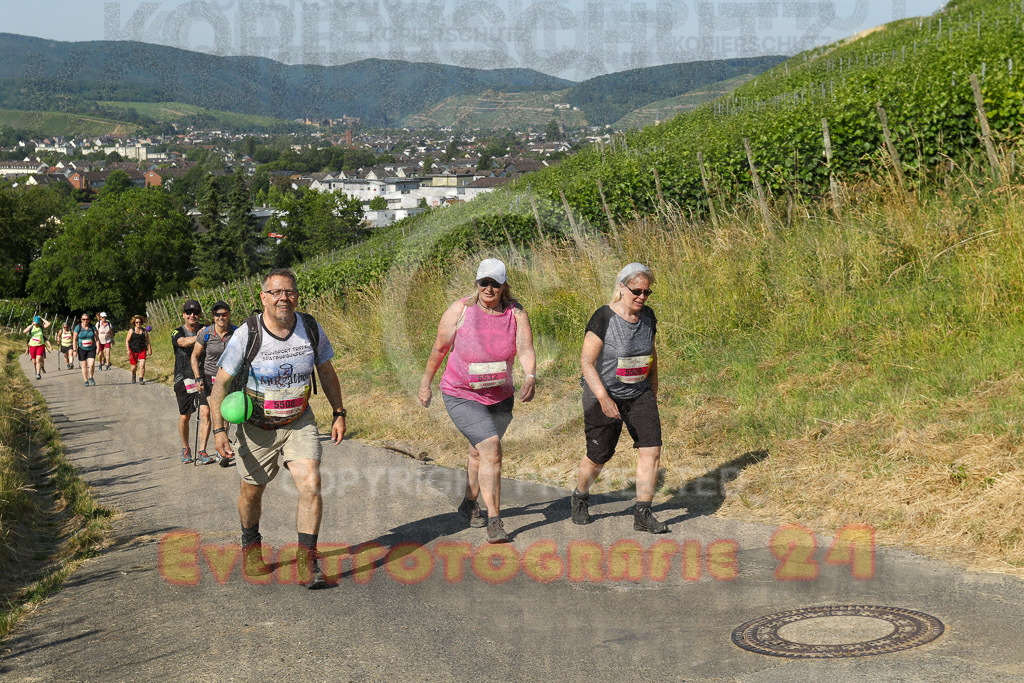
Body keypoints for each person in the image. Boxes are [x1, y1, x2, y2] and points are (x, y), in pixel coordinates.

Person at [210, 269, 347, 589]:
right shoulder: (247, 333)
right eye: (276, 292)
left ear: (296, 296)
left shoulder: (310, 327)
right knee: (251, 491)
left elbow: (326, 371)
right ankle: (251, 544)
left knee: (310, 482)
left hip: (299, 420)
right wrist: (219, 430)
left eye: (289, 291)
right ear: (263, 297)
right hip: (256, 427)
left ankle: (307, 561)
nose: (283, 298)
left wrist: (339, 412)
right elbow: (221, 384)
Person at [418, 258, 536, 544]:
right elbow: (440, 348)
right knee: (491, 447)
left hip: (500, 397)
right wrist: (425, 383)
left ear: (504, 286)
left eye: (495, 283)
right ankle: (495, 521)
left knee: (479, 453)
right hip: (462, 393)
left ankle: (469, 503)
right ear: (477, 283)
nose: (489, 289)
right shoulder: (460, 310)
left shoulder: (516, 313)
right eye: (484, 283)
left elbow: (525, 349)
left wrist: (530, 376)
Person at [570, 263, 668, 534]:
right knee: (599, 455)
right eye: (636, 291)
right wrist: (603, 398)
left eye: (647, 292)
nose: (642, 297)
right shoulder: (603, 317)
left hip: (639, 392)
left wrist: (653, 386)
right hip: (603, 393)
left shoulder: (648, 317)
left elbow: (651, 352)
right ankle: (580, 496)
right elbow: (587, 362)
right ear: (622, 288)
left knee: (652, 449)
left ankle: (643, 513)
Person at [191, 300, 235, 465]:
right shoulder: (206, 333)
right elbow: (194, 356)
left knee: (226, 414)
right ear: (213, 316)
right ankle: (211, 450)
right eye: (217, 315)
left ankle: (222, 450)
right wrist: (198, 378)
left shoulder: (236, 332)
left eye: (224, 314)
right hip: (210, 378)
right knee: (214, 412)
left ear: (229, 315)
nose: (221, 317)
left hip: (229, 378)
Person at [171, 300, 205, 463]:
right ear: (183, 315)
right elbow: (183, 342)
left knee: (206, 414)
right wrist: (201, 337)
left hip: (203, 376)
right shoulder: (177, 332)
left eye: (196, 312)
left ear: (200, 314)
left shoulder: (206, 328)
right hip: (183, 378)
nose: (192, 315)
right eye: (189, 312)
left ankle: (203, 451)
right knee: (185, 416)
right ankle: (185, 448)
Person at [73, 313, 99, 387]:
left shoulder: (92, 327)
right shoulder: (78, 327)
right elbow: (74, 339)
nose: (85, 321)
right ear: (81, 320)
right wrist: (74, 350)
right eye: (84, 319)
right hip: (82, 348)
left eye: (87, 319)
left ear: (89, 320)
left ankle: (91, 377)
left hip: (91, 348)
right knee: (84, 365)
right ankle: (86, 380)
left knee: (92, 363)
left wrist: (98, 347)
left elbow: (97, 338)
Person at [22, 315, 52, 380]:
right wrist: (32, 325)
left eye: (37, 322)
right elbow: (24, 331)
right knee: (34, 362)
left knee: (38, 359)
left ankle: (38, 374)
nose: (36, 324)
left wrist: (41, 318)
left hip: (40, 346)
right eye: (35, 322)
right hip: (32, 346)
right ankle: (36, 369)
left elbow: (48, 324)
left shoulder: (41, 327)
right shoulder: (31, 327)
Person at [125, 315, 152, 385]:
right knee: (134, 367)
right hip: (132, 350)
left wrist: (149, 349)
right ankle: (133, 375)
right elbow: (127, 341)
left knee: (142, 364)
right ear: (134, 323)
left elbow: (148, 341)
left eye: (139, 322)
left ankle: (141, 379)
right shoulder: (131, 331)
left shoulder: (144, 331)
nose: (138, 323)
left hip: (142, 350)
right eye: (137, 322)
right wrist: (128, 350)